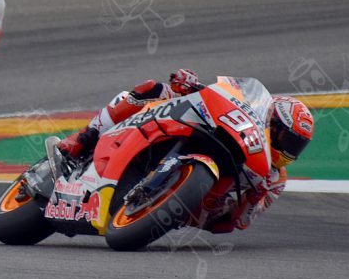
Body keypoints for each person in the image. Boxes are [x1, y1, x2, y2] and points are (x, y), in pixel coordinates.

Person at [56, 70, 314, 233]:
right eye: (286, 139)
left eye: (295, 146)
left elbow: (240, 223)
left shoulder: (275, 179)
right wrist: (190, 84)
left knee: (222, 223)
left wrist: (253, 199)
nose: (288, 149)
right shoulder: (248, 114)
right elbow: (219, 97)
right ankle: (83, 137)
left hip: (201, 208)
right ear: (271, 122)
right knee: (152, 89)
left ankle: (155, 203)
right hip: (198, 131)